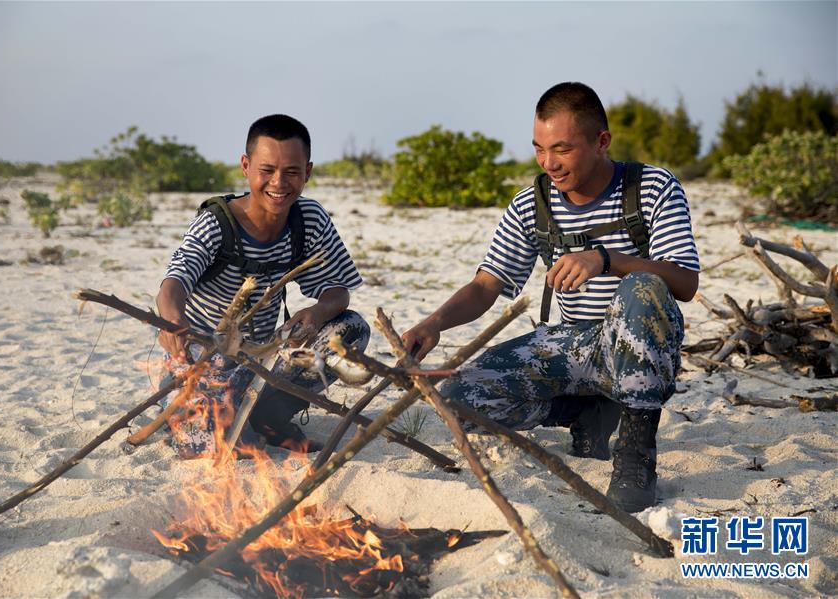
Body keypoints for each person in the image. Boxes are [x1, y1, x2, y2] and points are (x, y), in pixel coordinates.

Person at [402, 82, 699, 512]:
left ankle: (635, 453)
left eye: (562, 149)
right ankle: (584, 413)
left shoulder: (652, 187)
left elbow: (685, 283)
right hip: (571, 345)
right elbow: (487, 284)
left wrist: (606, 259)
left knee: (644, 286)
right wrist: (434, 322)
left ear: (602, 142)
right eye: (539, 149)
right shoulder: (531, 204)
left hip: (637, 350)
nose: (549, 163)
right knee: (460, 401)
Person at [157, 114, 369, 459]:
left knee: (350, 327)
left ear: (308, 172)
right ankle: (203, 413)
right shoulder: (216, 223)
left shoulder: (308, 219)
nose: (278, 183)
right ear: (245, 166)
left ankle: (269, 418)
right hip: (201, 361)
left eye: (292, 172)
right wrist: (173, 321)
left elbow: (338, 291)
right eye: (266, 170)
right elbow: (173, 283)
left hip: (262, 361)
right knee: (208, 449)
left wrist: (316, 312)